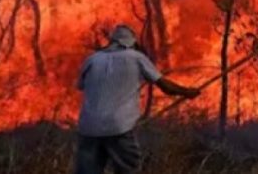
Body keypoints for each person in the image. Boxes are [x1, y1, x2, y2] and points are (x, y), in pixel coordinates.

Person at [73, 24, 200, 174]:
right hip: (118, 128)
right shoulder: (136, 57)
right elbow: (166, 87)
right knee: (128, 169)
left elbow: (81, 86)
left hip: (88, 127)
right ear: (131, 43)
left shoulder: (92, 59)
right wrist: (187, 92)